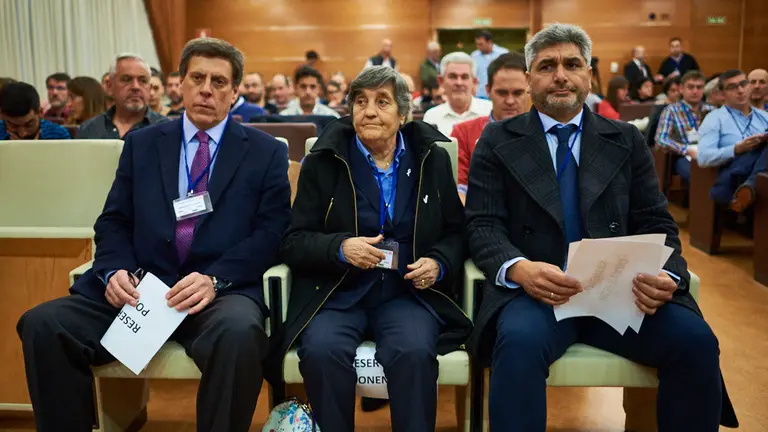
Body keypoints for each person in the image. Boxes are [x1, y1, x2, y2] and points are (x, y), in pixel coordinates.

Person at [464, 23, 737, 431]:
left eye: (572, 64)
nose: (560, 74)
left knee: (695, 342)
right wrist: (520, 269)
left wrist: (666, 274)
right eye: (546, 65)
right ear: (528, 78)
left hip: (620, 294)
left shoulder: (626, 140)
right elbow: (483, 224)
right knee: (517, 345)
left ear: (589, 75)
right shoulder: (498, 139)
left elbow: (657, 222)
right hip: (539, 295)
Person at [16, 37, 291, 432]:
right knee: (44, 324)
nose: (206, 89)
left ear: (234, 92)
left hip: (216, 293)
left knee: (239, 333)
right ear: (180, 83)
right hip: (142, 288)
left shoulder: (265, 152)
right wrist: (114, 271)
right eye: (197, 77)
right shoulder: (141, 145)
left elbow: (272, 232)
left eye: (218, 81)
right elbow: (113, 221)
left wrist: (215, 279)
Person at [271, 65, 471, 432]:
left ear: (403, 113)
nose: (369, 111)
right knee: (321, 351)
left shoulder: (432, 158)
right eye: (360, 101)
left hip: (408, 293)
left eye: (382, 102)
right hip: (338, 291)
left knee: (412, 352)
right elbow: (293, 241)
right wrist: (339, 247)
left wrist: (439, 263)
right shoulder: (322, 162)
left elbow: (457, 233)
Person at [452, 52, 527, 203]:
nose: (510, 101)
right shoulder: (464, 132)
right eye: (502, 93)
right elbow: (459, 189)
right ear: (487, 90)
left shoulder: (545, 132)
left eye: (518, 93)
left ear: (530, 90)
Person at [698, 69, 768, 213]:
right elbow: (703, 158)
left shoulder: (764, 117)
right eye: (732, 87)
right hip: (735, 175)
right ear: (722, 95)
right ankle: (747, 188)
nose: (740, 90)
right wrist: (736, 149)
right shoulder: (714, 118)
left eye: (743, 84)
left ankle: (750, 186)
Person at [77, 53, 168, 139]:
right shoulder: (89, 129)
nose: (136, 87)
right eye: (126, 79)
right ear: (109, 86)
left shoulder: (166, 129)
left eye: (143, 81)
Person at [654, 70, 711, 182]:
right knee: (698, 176)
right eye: (690, 87)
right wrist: (686, 149)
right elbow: (660, 139)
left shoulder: (711, 110)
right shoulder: (671, 110)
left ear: (704, 89)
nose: (695, 91)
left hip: (709, 154)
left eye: (699, 87)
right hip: (683, 156)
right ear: (681, 89)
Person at [422, 52, 493, 135]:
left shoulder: (490, 111)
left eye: (464, 77)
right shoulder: (432, 117)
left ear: (474, 82)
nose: (459, 83)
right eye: (452, 76)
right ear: (441, 81)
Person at [0, 81, 71, 140]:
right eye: (13, 126)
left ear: (40, 112)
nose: (22, 134)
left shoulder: (58, 134)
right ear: (2, 116)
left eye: (29, 125)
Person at [471, 30, 510, 99]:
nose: (478, 47)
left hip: (499, 94)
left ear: (489, 42)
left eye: (480, 44)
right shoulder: (474, 55)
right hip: (479, 95)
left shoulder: (503, 53)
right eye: (476, 44)